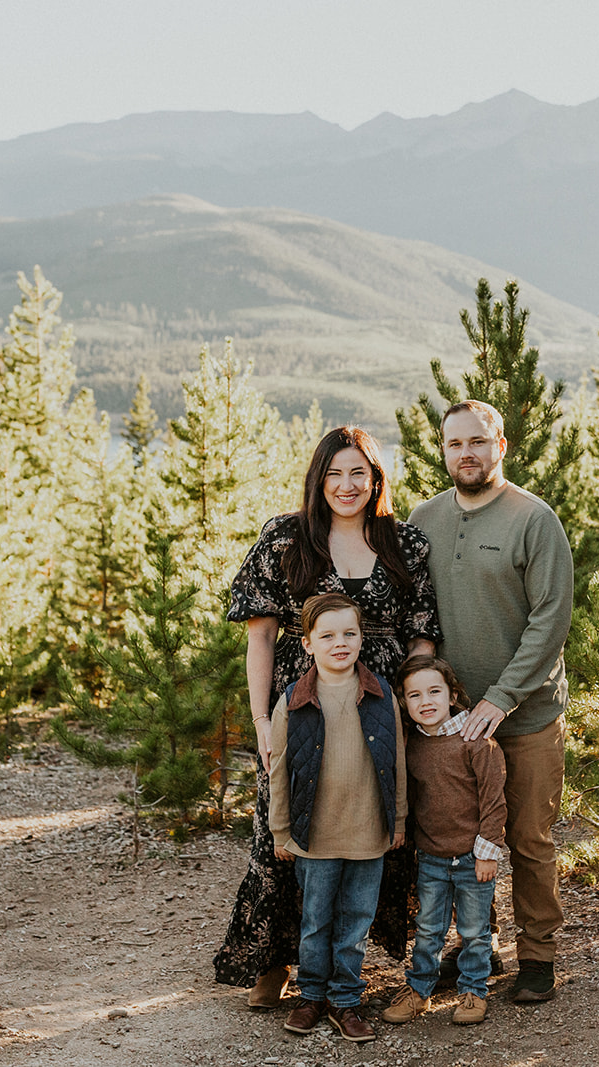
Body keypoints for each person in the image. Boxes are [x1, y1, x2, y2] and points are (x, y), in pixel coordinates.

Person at [215, 426, 439, 1008]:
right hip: (301, 703)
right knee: (284, 827)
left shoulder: (405, 543)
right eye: (334, 473)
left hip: (382, 704)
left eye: (358, 473)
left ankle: (357, 964)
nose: (346, 485)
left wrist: (417, 708)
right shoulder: (286, 539)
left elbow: (422, 635)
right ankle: (276, 960)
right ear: (318, 478)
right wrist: (262, 722)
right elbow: (261, 637)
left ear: (376, 479)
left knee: (377, 823)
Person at [408, 399, 573, 1003]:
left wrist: (501, 698)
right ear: (443, 450)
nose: (466, 454)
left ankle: (538, 956)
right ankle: (481, 944)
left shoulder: (533, 519)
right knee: (454, 837)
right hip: (451, 723)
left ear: (500, 445)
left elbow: (551, 620)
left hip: (525, 716)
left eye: (477, 441)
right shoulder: (424, 519)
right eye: (455, 444)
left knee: (527, 839)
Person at [268, 592, 406, 1043]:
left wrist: (399, 821)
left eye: (349, 633)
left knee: (356, 922)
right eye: (327, 636)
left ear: (362, 638)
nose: (340, 643)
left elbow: (398, 762)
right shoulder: (294, 700)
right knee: (316, 921)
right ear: (308, 644)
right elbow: (279, 771)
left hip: (368, 831)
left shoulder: (381, 695)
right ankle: (311, 996)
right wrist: (280, 831)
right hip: (315, 835)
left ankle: (345, 1000)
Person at [381, 655, 506, 1027]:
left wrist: (488, 851)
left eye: (434, 691)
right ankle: (419, 990)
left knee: (475, 932)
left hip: (472, 857)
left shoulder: (476, 739)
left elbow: (493, 799)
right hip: (432, 857)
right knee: (428, 930)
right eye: (415, 695)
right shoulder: (412, 745)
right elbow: (413, 800)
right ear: (404, 702)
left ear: (452, 695)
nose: (426, 701)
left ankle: (473, 991)